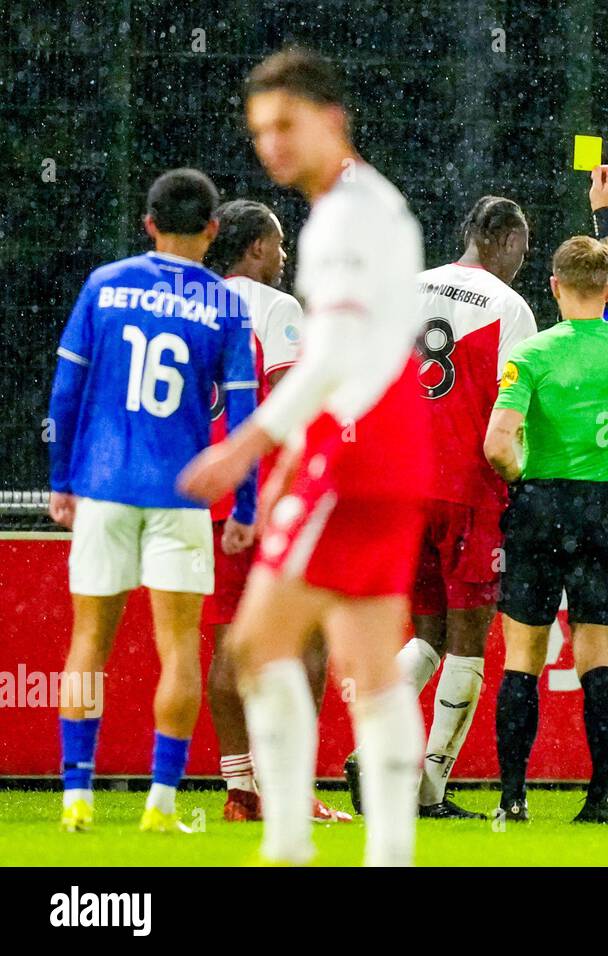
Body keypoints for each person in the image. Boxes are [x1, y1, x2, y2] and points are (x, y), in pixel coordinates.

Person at [178, 48, 432, 866]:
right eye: (260, 131)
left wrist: (247, 447)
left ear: (332, 119)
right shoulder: (369, 204)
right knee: (366, 662)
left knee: (258, 646)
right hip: (382, 446)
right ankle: (381, 850)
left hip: (356, 450)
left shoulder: (345, 218)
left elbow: (333, 358)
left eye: (285, 125)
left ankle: (288, 843)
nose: (271, 146)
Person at [49, 168, 257, 833]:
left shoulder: (104, 285)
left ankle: (77, 797)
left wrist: (61, 480)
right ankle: (161, 806)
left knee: (89, 642)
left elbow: (64, 396)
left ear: (147, 224)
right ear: (213, 231)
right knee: (179, 651)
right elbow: (248, 416)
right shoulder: (225, 306)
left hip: (105, 486)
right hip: (182, 493)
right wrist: (244, 508)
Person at [344, 195, 537, 820]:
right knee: (468, 643)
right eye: (523, 248)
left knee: (424, 635)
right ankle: (426, 789)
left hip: (401, 490)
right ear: (503, 239)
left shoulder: (408, 288)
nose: (523, 261)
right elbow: (514, 416)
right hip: (469, 491)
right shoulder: (511, 310)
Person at [483, 165, 608, 824]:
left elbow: (498, 444)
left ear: (553, 287)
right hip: (605, 507)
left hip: (541, 503)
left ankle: (513, 799)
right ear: (606, 289)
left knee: (521, 661)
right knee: (595, 662)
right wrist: (604, 213)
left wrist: (527, 482)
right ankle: (601, 798)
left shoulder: (533, 355)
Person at [201, 198, 349, 824]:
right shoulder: (276, 308)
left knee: (227, 645)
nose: (285, 256)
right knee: (307, 638)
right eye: (280, 244)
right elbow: (290, 409)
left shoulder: (192, 303)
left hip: (201, 500)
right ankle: (289, 788)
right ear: (257, 247)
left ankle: (241, 792)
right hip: (264, 501)